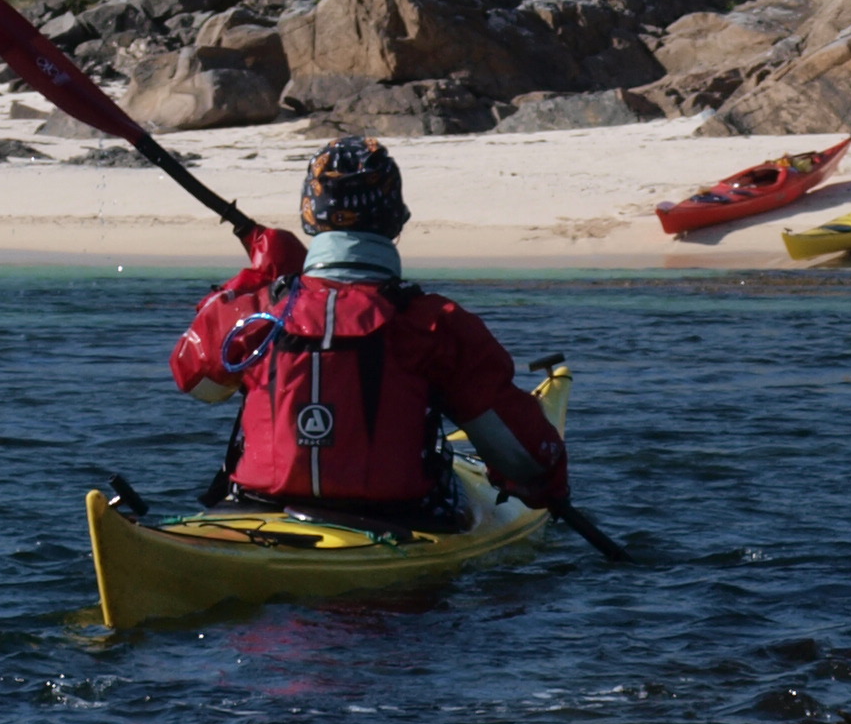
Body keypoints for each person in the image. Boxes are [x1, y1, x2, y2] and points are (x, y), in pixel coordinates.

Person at [164, 136, 571, 527]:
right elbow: (525, 459)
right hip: (398, 520)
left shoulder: (256, 310)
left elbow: (197, 383)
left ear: (311, 216)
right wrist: (545, 487)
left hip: (257, 510)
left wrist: (249, 282)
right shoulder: (434, 324)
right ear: (395, 218)